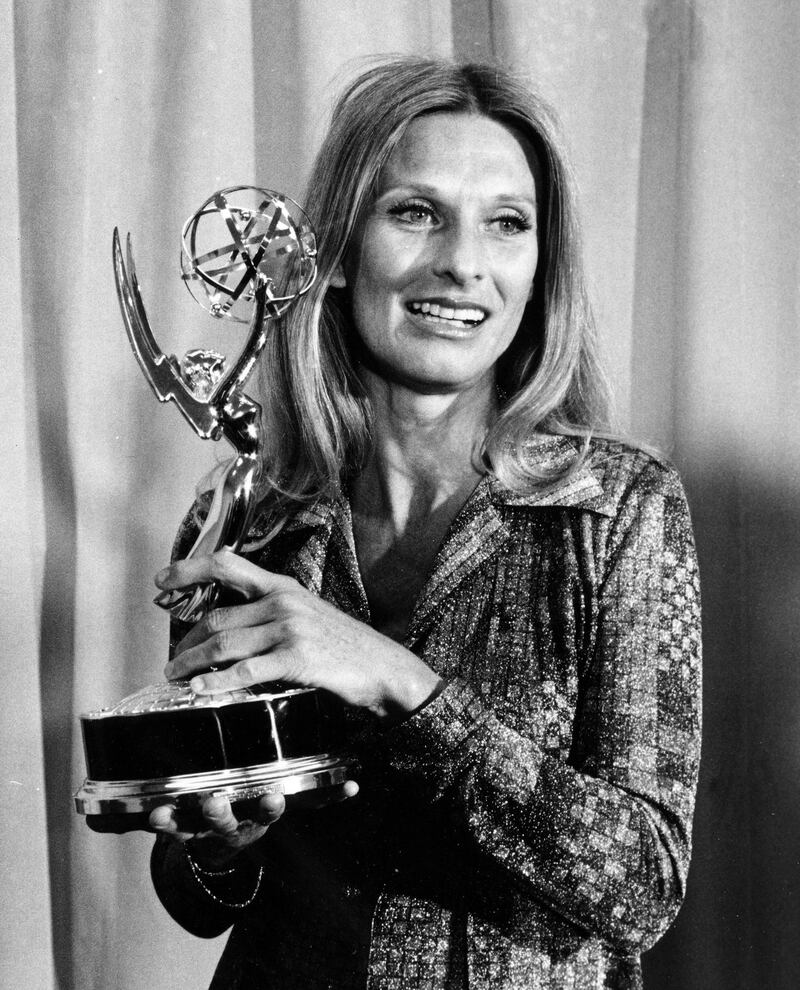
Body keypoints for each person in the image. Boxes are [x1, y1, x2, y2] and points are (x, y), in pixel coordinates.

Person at [147, 56, 702, 990]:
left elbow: (640, 885)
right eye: (415, 212)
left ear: (539, 269)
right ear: (332, 252)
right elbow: (201, 900)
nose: (462, 262)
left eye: (508, 224)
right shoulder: (242, 519)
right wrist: (221, 843)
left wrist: (400, 682)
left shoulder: (618, 507)